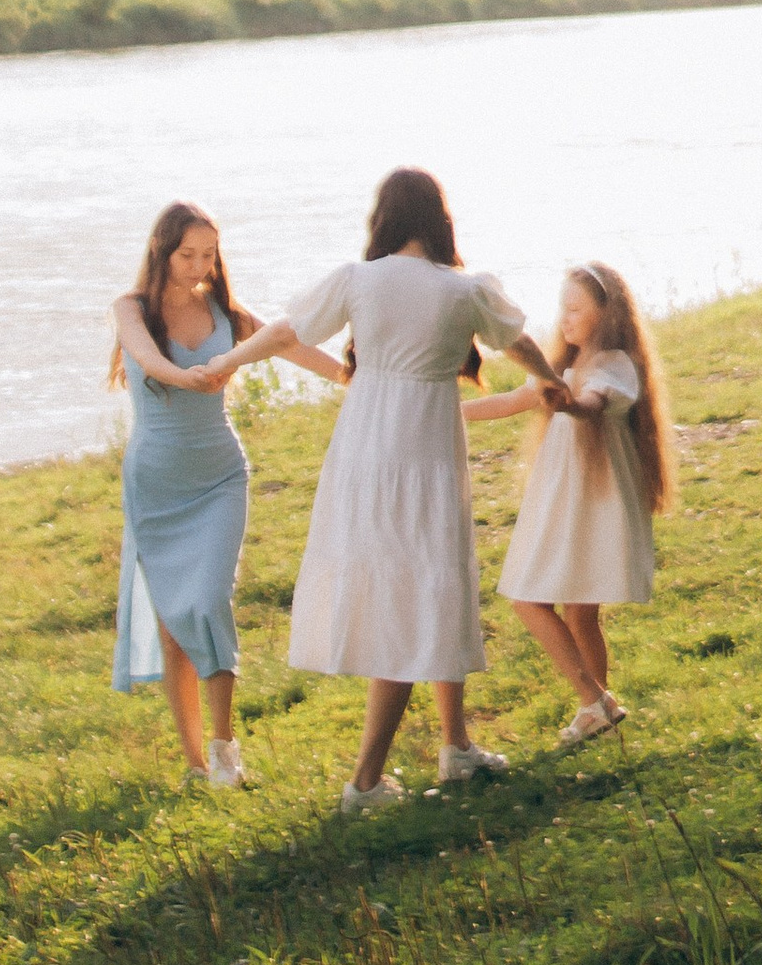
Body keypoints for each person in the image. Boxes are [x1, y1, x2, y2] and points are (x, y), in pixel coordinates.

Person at [208, 166, 562, 814]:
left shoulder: (359, 280)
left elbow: (287, 332)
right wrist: (554, 382)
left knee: (430, 585)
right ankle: (364, 783)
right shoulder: (465, 290)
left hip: (366, 453)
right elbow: (521, 343)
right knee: (419, 588)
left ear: (385, 220)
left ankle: (456, 746)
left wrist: (228, 362)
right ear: (440, 219)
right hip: (424, 453)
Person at [108, 200, 344, 787]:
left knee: (209, 601)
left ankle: (224, 750)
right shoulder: (130, 308)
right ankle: (194, 763)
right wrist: (182, 374)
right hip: (157, 484)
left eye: (208, 255)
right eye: (188, 254)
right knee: (172, 623)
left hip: (218, 478)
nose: (198, 265)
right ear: (162, 251)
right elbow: (142, 354)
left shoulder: (227, 313)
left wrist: (357, 376)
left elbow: (293, 345)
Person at [467, 258, 673, 746]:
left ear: (607, 312)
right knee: (579, 612)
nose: (564, 319)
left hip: (592, 501)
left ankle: (592, 700)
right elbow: (508, 403)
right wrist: (440, 412)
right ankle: (599, 706)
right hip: (567, 499)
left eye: (576, 309)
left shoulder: (615, 366)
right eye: (562, 308)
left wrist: (570, 406)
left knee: (528, 598)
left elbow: (594, 407)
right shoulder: (563, 367)